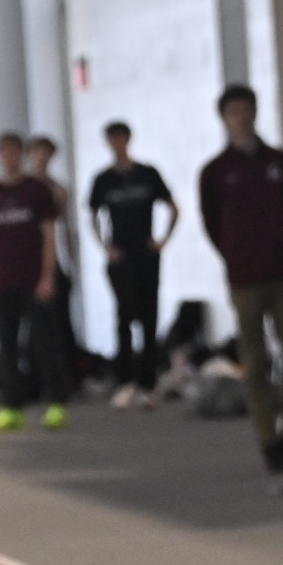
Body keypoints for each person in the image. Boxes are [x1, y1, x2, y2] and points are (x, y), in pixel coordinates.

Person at [199, 85, 283, 474]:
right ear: (225, 118)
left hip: (282, 268)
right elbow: (212, 223)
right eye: (234, 112)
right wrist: (233, 252)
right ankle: (267, 436)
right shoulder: (215, 172)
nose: (241, 118)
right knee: (255, 360)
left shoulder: (278, 161)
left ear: (256, 113)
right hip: (244, 275)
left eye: (247, 110)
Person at [0, 131, 67, 432]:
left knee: (44, 343)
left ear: (22, 155)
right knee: (7, 346)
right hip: (2, 281)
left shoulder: (36, 191)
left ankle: (55, 403)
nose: (10, 157)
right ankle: (12, 406)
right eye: (4, 152)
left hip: (33, 279)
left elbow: (50, 235)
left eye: (15, 152)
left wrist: (48, 276)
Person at [88, 121, 178, 409]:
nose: (117, 144)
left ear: (128, 140)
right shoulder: (103, 180)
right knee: (124, 315)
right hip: (121, 256)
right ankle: (126, 380)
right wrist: (105, 247)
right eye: (111, 139)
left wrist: (162, 240)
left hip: (146, 253)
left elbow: (173, 207)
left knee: (149, 316)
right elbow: (93, 215)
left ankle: (148, 382)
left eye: (120, 138)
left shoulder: (148, 174)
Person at [26, 134, 83, 391]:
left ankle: (65, 376)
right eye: (38, 152)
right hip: (27, 260)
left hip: (54, 258)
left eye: (46, 153)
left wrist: (71, 262)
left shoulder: (58, 190)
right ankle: (36, 375)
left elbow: (64, 227)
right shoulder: (23, 187)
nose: (42, 157)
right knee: (33, 322)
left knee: (59, 320)